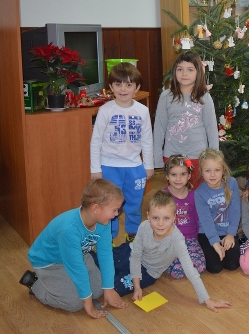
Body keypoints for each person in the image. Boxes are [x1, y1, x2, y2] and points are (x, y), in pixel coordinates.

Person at [106, 191, 232, 312]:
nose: (160, 224)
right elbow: (136, 256)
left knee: (114, 288)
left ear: (174, 218)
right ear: (148, 216)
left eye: (166, 218)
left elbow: (190, 270)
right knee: (102, 262)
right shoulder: (144, 226)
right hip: (129, 252)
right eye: (155, 218)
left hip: (149, 272)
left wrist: (207, 300)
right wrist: (137, 285)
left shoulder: (177, 239)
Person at [21, 179, 128, 318]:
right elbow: (76, 268)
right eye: (114, 210)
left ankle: (63, 284)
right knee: (75, 304)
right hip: (50, 263)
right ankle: (35, 283)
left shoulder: (104, 222)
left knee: (98, 290)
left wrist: (109, 289)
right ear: (96, 208)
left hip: (79, 254)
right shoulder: (68, 229)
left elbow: (106, 254)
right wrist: (88, 304)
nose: (117, 214)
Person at [90, 62, 153, 241]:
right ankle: (108, 237)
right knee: (109, 204)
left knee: (134, 204)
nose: (123, 89)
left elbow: (147, 140)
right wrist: (95, 168)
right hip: (109, 166)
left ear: (137, 88)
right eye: (118, 84)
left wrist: (148, 165)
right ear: (111, 87)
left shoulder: (142, 111)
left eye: (128, 84)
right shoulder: (105, 110)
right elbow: (96, 141)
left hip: (135, 167)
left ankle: (132, 234)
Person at [154, 51, 219, 189]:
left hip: (198, 156)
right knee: (176, 193)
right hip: (172, 156)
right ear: (174, 71)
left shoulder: (205, 97)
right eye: (180, 69)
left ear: (198, 72)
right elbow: (159, 128)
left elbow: (212, 129)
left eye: (190, 70)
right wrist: (157, 157)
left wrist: (214, 158)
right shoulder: (166, 97)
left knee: (197, 193)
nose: (184, 74)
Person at [195, 149, 241, 274]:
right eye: (207, 171)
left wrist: (231, 234)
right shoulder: (199, 193)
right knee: (215, 268)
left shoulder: (232, 183)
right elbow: (206, 221)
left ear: (223, 170)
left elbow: (235, 210)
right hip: (207, 232)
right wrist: (215, 243)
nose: (212, 175)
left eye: (217, 170)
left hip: (227, 231)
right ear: (201, 172)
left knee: (232, 264)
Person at [162, 155, 206, 278]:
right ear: (167, 176)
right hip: (169, 240)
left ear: (189, 175)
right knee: (177, 271)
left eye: (183, 174)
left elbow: (198, 219)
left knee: (200, 266)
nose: (178, 179)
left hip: (190, 239)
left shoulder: (194, 195)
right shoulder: (163, 196)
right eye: (173, 174)